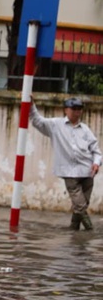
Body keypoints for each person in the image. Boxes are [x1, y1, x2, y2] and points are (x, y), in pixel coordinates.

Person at [30, 96, 101, 230]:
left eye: (80, 109)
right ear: (66, 110)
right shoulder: (56, 125)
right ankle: (90, 232)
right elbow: (37, 121)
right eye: (74, 108)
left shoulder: (85, 129)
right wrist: (31, 105)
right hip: (69, 173)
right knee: (80, 206)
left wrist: (97, 163)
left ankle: (73, 230)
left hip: (87, 172)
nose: (77, 111)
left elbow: (96, 150)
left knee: (81, 205)